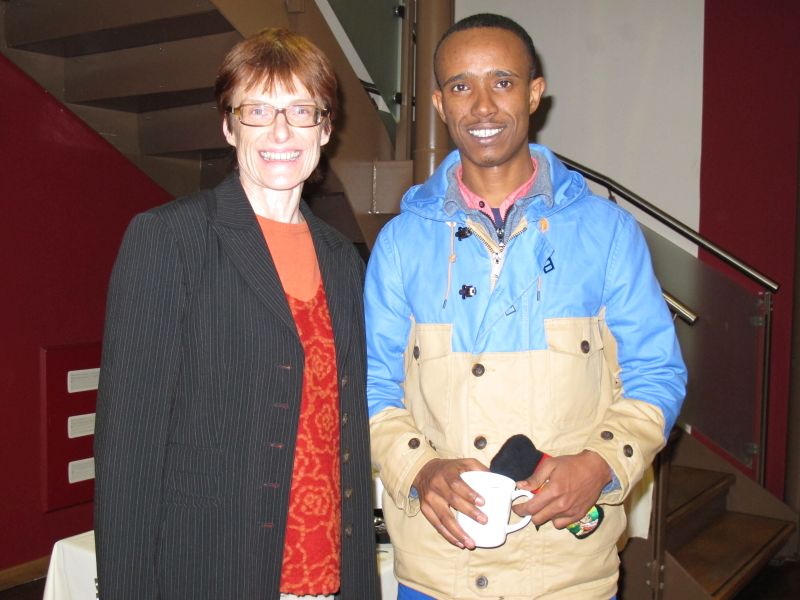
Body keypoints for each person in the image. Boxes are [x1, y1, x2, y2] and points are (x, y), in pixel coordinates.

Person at [365, 13, 687, 600]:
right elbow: (371, 384)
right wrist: (420, 469)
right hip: (439, 571)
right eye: (461, 86)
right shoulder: (400, 244)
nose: (482, 105)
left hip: (566, 573)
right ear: (439, 103)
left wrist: (601, 463)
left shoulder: (608, 233)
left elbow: (656, 373)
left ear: (535, 93)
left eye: (503, 82)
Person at [94, 28, 378, 600]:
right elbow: (128, 448)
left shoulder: (343, 260)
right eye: (258, 110)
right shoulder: (169, 239)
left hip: (328, 570)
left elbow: (345, 431)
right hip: (213, 568)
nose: (281, 132)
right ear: (229, 126)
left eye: (301, 110)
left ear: (325, 129)